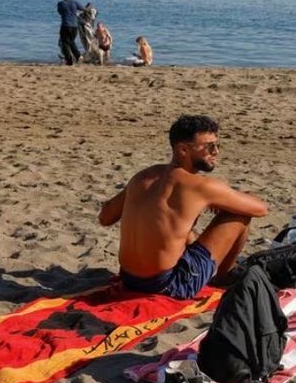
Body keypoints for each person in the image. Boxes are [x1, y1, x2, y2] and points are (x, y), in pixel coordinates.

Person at [99, 115, 268, 299]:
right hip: (169, 284)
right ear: (183, 149)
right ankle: (224, 276)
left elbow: (105, 217)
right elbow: (260, 209)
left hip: (129, 279)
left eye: (218, 145)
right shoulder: (200, 186)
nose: (216, 152)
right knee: (240, 216)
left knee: (180, 227)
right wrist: (224, 202)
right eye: (209, 146)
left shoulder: (143, 177)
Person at [57, 0, 85, 65]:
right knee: (71, 41)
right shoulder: (75, 2)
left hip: (65, 25)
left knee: (65, 42)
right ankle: (78, 56)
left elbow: (60, 12)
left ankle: (69, 60)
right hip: (74, 26)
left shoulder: (60, 4)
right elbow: (83, 9)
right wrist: (89, 7)